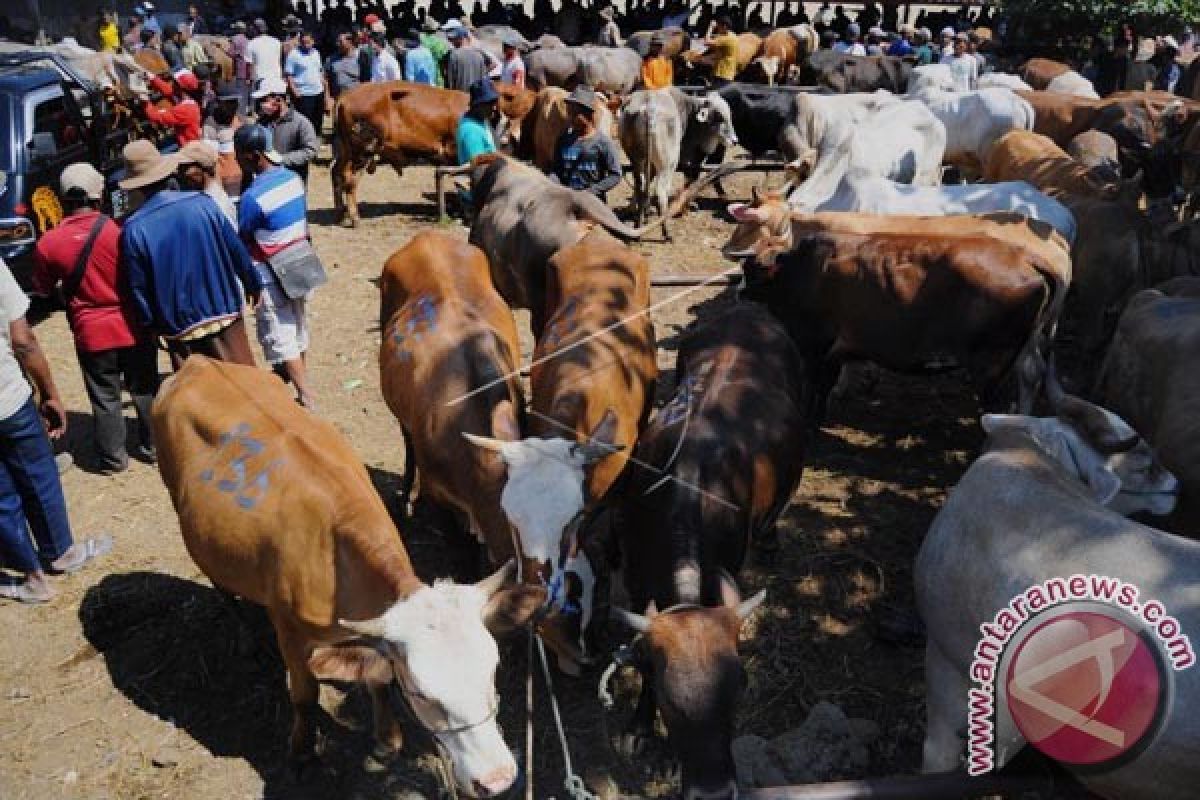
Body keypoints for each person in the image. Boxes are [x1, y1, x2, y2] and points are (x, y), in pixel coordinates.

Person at [30, 163, 157, 474]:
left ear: (62, 200)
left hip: (90, 331)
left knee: (105, 397)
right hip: (131, 325)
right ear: (97, 197)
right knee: (144, 389)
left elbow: (42, 290)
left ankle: (114, 459)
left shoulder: (48, 243)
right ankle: (155, 446)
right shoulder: (120, 231)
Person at [0, 256, 113, 603]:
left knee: (2, 498)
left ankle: (33, 579)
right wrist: (49, 391)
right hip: (9, 396)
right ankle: (61, 553)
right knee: (39, 474)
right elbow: (23, 339)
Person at [118, 140, 262, 369]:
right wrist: (253, 284)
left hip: (178, 328)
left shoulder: (133, 229)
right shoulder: (203, 205)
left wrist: (150, 325)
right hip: (223, 312)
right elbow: (237, 251)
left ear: (135, 186)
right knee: (245, 382)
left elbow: (139, 287)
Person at [235, 125, 317, 409]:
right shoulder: (293, 179)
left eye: (240, 155)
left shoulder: (252, 198)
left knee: (281, 336)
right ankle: (302, 381)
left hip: (272, 274)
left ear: (253, 156)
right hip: (302, 262)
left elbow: (243, 236)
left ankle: (306, 397)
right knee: (298, 328)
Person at [552, 85, 622, 201]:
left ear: (588, 115)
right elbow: (556, 171)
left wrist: (591, 192)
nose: (570, 117)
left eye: (575, 114)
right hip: (567, 200)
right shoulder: (563, 140)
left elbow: (615, 175)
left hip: (593, 203)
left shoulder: (603, 142)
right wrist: (550, 183)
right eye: (569, 112)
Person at [252, 76, 319, 184]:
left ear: (278, 99)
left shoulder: (300, 123)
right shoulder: (261, 122)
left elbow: (310, 150)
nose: (262, 104)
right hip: (266, 182)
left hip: (292, 183)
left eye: (265, 99)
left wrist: (281, 160)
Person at [177, 140, 238, 225]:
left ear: (203, 168)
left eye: (185, 168)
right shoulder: (205, 199)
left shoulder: (217, 204)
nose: (180, 174)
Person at [141, 70, 203, 145]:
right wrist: (152, 77)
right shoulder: (185, 99)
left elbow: (155, 116)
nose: (172, 83)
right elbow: (168, 90)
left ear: (180, 87)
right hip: (183, 139)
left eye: (175, 82)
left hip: (187, 147)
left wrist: (145, 100)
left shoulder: (185, 110)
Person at [285, 30, 328, 136]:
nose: (306, 45)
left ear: (313, 41)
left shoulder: (316, 53)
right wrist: (294, 91)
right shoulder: (293, 54)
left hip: (318, 91)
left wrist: (325, 89)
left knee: (318, 119)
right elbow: (289, 75)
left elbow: (320, 71)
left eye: (308, 42)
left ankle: (317, 139)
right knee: (305, 121)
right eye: (303, 42)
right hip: (303, 93)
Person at [456, 78, 498, 165]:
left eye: (494, 103)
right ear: (477, 105)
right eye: (489, 104)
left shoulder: (480, 120)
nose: (494, 108)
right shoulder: (471, 131)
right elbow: (479, 169)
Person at [444, 23, 488, 91]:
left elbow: (450, 82)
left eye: (454, 39)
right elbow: (483, 79)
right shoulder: (479, 55)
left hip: (459, 96)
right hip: (476, 97)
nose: (452, 41)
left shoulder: (454, 55)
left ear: (461, 38)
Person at [326, 31, 365, 100]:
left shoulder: (361, 57)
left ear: (350, 42)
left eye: (340, 42)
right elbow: (325, 79)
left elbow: (366, 81)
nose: (337, 44)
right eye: (337, 41)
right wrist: (328, 98)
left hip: (356, 98)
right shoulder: (331, 59)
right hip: (338, 98)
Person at [247, 18, 284, 85]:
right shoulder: (276, 42)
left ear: (255, 30)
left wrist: (249, 79)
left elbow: (250, 65)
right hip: (276, 78)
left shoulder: (251, 44)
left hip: (260, 79)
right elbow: (280, 61)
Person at [705, 16, 739, 86]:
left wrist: (711, 27)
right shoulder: (733, 35)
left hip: (721, 74)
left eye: (718, 27)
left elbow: (707, 42)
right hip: (728, 73)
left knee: (716, 95)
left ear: (724, 26)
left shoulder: (726, 39)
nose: (717, 29)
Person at [419, 16, 451, 86]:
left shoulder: (420, 39)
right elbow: (444, 58)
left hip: (421, 74)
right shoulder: (439, 42)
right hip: (436, 74)